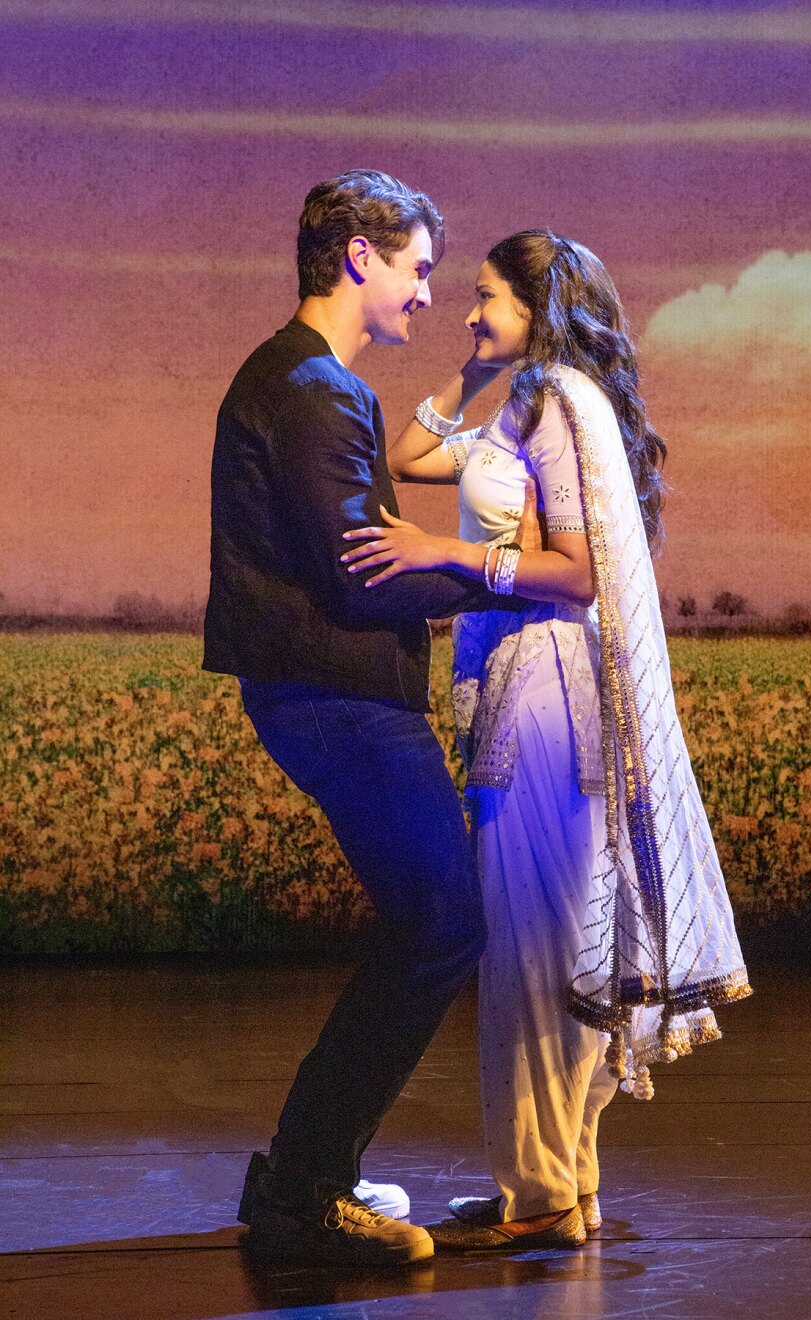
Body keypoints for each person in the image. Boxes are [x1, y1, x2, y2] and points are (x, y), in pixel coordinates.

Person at [341, 229, 753, 1251]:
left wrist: (445, 555)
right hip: (520, 688)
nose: (465, 309)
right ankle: (559, 1188)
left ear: (538, 303)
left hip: (546, 700)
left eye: (484, 298)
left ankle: (541, 1199)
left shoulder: (565, 405)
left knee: (534, 952)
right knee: (539, 945)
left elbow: (578, 573)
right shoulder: (534, 395)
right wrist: (473, 370)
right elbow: (408, 456)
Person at [202, 172, 531, 1266]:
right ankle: (304, 1192)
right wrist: (511, 579)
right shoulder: (316, 389)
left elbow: (374, 537)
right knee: (441, 926)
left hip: (323, 693)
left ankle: (306, 1177)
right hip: (336, 695)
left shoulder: (306, 379)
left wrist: (448, 556)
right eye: (419, 267)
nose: (428, 294)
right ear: (360, 257)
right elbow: (363, 580)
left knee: (430, 925)